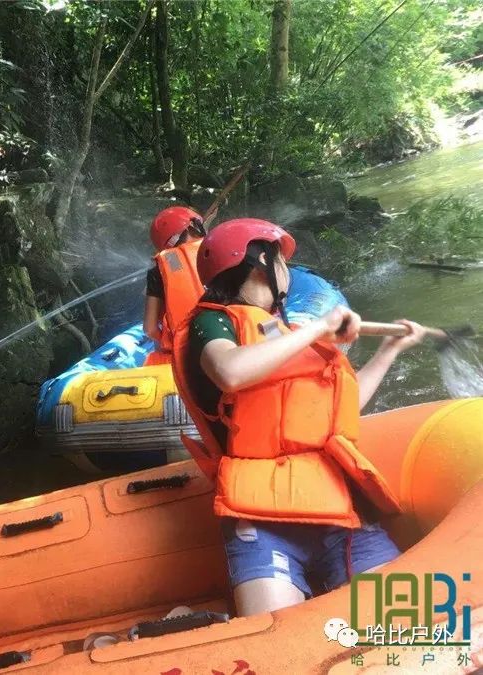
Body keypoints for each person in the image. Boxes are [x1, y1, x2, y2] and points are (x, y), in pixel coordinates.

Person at [170, 218, 426, 617]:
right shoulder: (214, 321)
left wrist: (388, 351)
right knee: (278, 647)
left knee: (405, 626)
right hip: (261, 517)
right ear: (260, 263)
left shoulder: (277, 331)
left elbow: (340, 409)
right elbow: (230, 372)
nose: (287, 274)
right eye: (283, 262)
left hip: (336, 507)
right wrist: (318, 328)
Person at [144, 206, 206, 366]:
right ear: (194, 226)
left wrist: (169, 341)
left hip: (186, 355)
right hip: (232, 343)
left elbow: (150, 329)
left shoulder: (158, 270)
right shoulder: (220, 249)